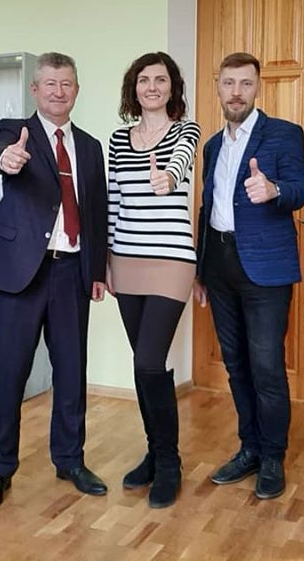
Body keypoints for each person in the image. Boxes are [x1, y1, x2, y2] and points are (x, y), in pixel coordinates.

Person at [0, 52, 108, 511]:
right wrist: (7, 158)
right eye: (50, 83)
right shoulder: (15, 130)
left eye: (66, 84)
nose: (58, 91)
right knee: (9, 373)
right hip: (20, 274)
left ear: (76, 90)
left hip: (72, 272)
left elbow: (97, 210)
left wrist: (97, 270)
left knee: (72, 372)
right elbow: (1, 156)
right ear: (35, 90)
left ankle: (70, 460)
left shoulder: (90, 146)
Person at [193, 52, 304, 500]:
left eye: (245, 83)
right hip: (219, 266)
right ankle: (250, 448)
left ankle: (273, 456)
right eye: (229, 83)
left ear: (258, 87)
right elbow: (207, 207)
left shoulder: (283, 134)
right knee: (236, 363)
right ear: (218, 88)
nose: (236, 92)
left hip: (265, 270)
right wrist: (201, 269)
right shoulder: (212, 146)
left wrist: (274, 189)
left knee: (266, 365)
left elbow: (299, 190)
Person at [106, 52, 201, 508]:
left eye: (160, 80)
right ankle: (153, 451)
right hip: (126, 261)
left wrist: (167, 178)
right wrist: (106, 261)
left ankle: (169, 462)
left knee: (148, 362)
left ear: (172, 87)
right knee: (146, 365)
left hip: (171, 261)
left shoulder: (186, 130)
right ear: (134, 87)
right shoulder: (118, 138)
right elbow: (113, 200)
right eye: (144, 80)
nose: (152, 87)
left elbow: (180, 162)